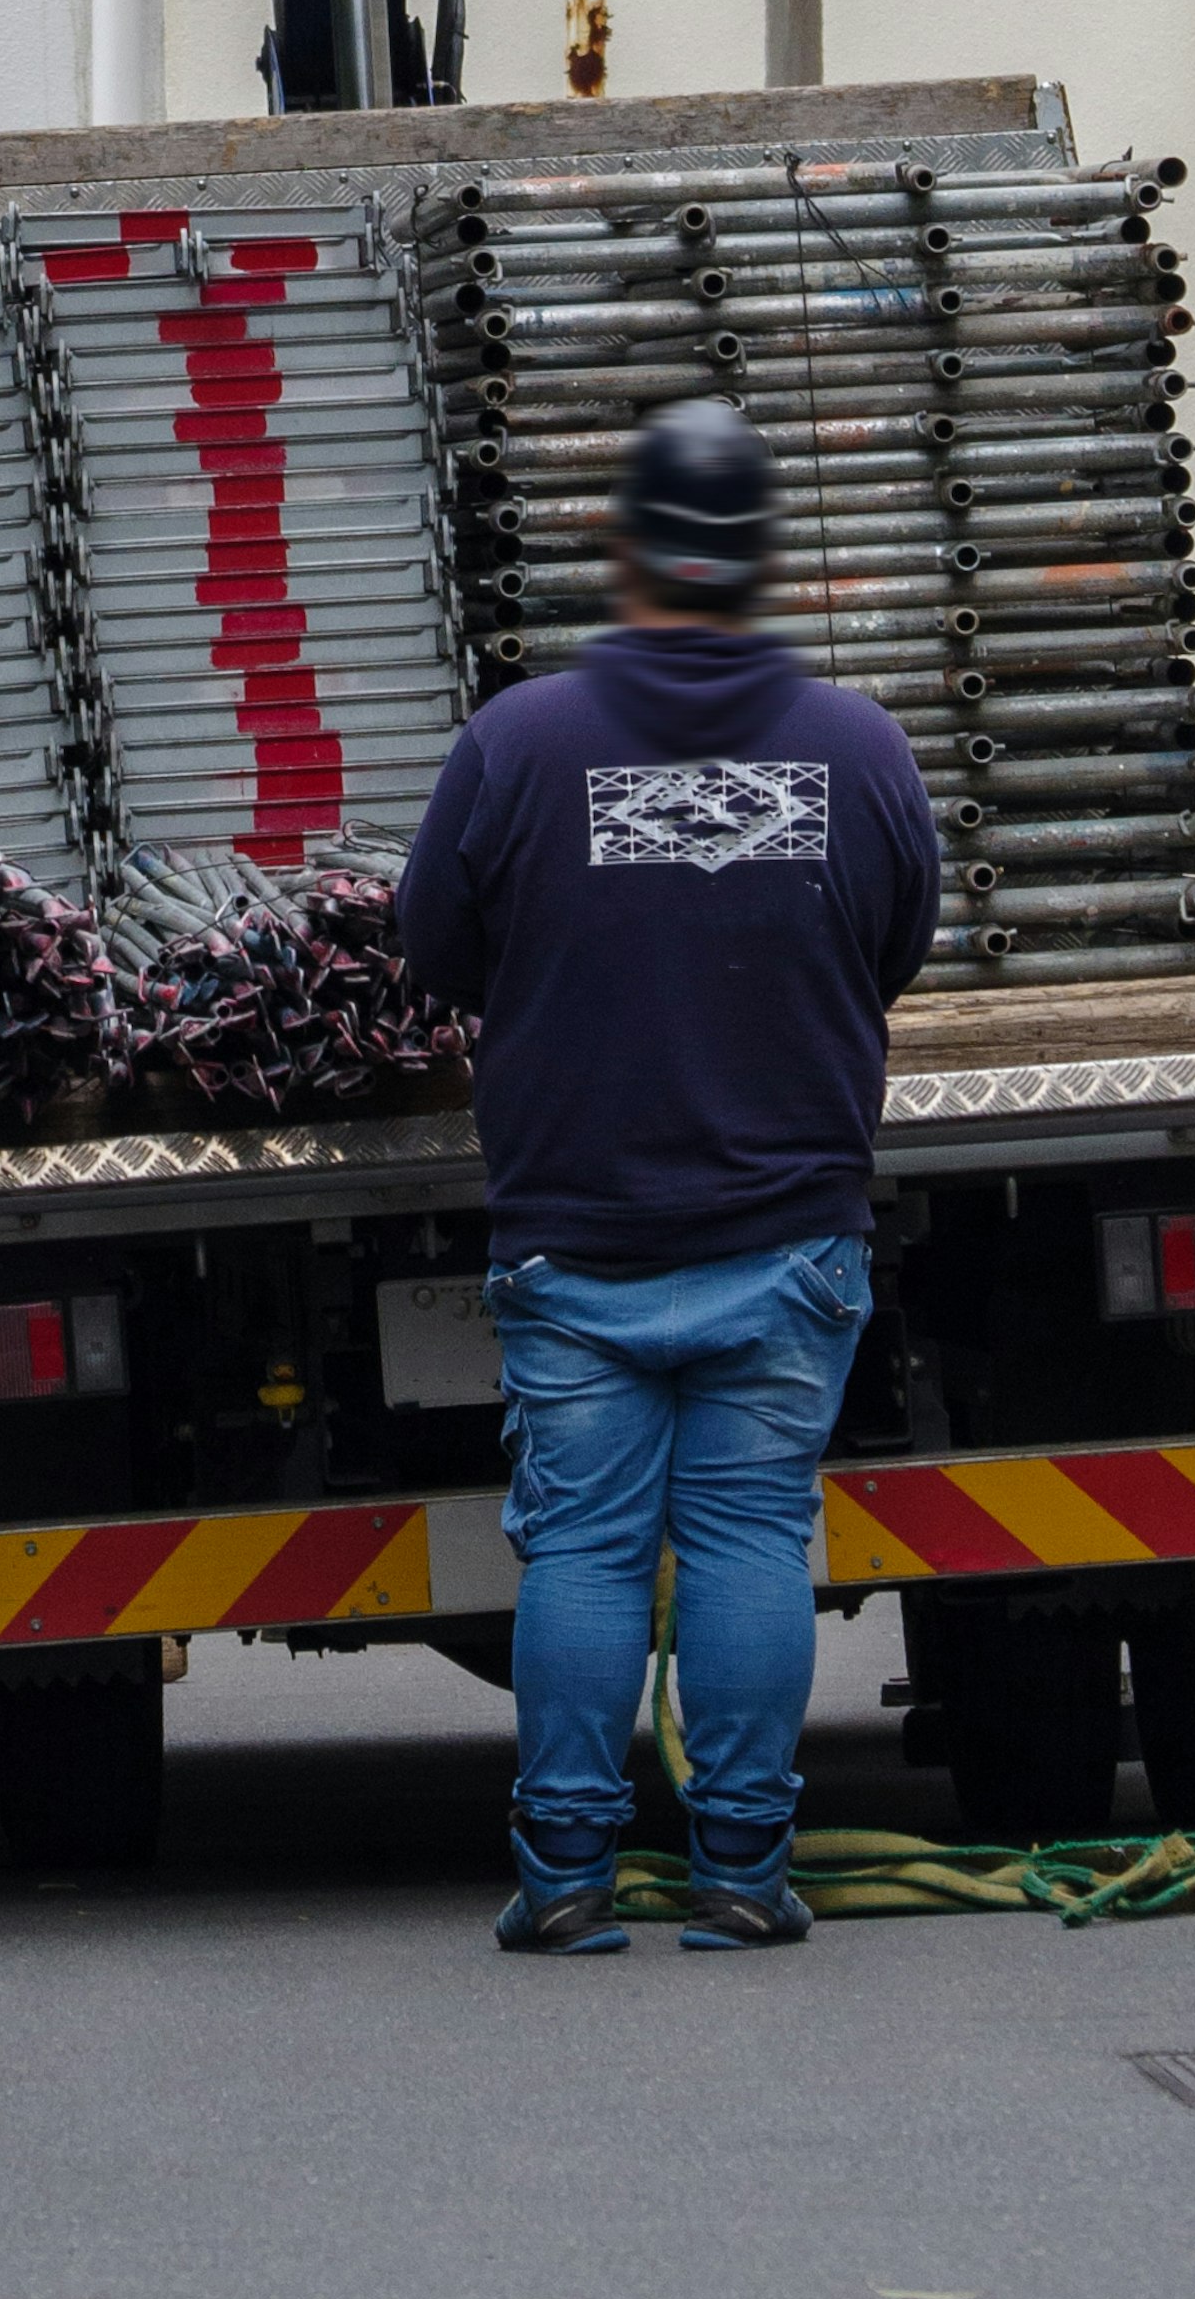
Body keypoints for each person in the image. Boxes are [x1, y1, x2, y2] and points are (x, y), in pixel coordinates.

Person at [396, 397, 941, 1953]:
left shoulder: (518, 744)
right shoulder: (858, 748)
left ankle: (567, 1875)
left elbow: (435, 949)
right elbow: (892, 947)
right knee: (755, 1536)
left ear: (626, 556)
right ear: (759, 562)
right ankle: (744, 1872)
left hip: (581, 1243)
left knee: (582, 1547)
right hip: (788, 1240)